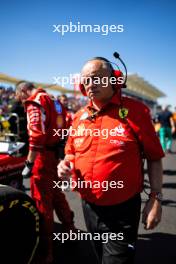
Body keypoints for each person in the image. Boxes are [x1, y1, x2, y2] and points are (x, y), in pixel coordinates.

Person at [57, 57, 165, 264]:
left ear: (113, 80)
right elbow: (70, 151)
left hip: (122, 210)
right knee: (100, 257)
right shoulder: (79, 116)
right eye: (86, 80)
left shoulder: (136, 111)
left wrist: (156, 198)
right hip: (88, 206)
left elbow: (154, 157)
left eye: (97, 78)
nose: (91, 84)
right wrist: (65, 164)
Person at [15, 81, 74, 264]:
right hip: (54, 154)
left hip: (41, 157)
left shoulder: (34, 101)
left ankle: (46, 252)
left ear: (24, 91)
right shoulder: (54, 99)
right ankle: (70, 231)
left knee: (42, 202)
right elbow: (66, 123)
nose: (21, 101)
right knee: (56, 194)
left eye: (20, 97)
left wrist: (29, 163)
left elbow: (36, 135)